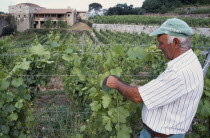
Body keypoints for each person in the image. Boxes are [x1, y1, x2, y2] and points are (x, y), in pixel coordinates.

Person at [103, 18, 204, 138]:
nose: (158, 47)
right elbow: (167, 90)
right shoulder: (188, 61)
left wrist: (116, 83)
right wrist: (147, 90)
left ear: (176, 42)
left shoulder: (180, 72)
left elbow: (137, 96)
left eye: (161, 43)